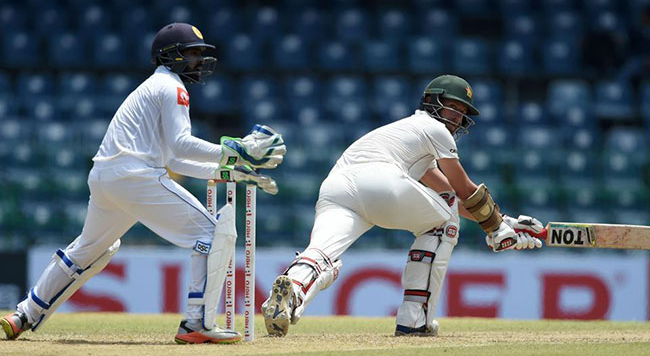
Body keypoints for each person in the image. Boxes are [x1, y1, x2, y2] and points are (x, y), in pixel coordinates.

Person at [1, 23, 286, 344]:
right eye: (192, 53)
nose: (198, 61)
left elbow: (175, 160)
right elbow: (181, 145)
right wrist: (237, 149)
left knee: (91, 249)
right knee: (211, 233)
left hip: (106, 178)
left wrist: (227, 169)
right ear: (170, 55)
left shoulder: (154, 88)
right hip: (135, 176)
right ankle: (197, 324)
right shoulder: (172, 87)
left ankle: (23, 314)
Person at [261, 75, 543, 338]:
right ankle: (415, 320)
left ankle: (292, 291)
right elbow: (463, 188)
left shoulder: (405, 135)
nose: (457, 118)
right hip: (381, 181)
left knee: (321, 254)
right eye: (453, 108)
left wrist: (503, 221)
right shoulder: (434, 129)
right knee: (443, 224)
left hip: (337, 186)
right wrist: (495, 228)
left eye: (462, 113)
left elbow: (449, 196)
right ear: (432, 101)